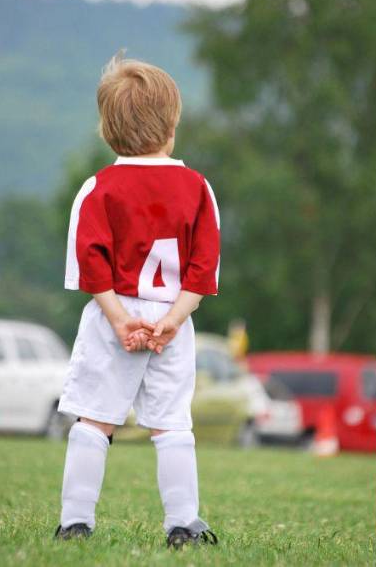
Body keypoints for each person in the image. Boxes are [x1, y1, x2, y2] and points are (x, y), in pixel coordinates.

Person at [54, 51, 221, 549]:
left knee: (94, 418)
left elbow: (91, 266)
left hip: (114, 317)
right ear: (172, 127)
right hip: (174, 316)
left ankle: (76, 521)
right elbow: (202, 269)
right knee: (172, 423)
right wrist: (171, 319)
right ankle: (183, 524)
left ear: (108, 131)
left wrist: (122, 318)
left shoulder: (97, 188)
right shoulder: (197, 188)